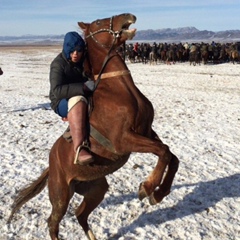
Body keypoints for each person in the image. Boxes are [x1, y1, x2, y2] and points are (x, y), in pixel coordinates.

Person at [49, 31, 95, 165]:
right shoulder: (58, 64)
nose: (75, 53)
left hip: (81, 93)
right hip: (60, 101)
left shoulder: (83, 61)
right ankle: (80, 148)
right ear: (66, 48)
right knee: (78, 101)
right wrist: (83, 87)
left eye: (79, 50)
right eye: (72, 50)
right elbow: (57, 91)